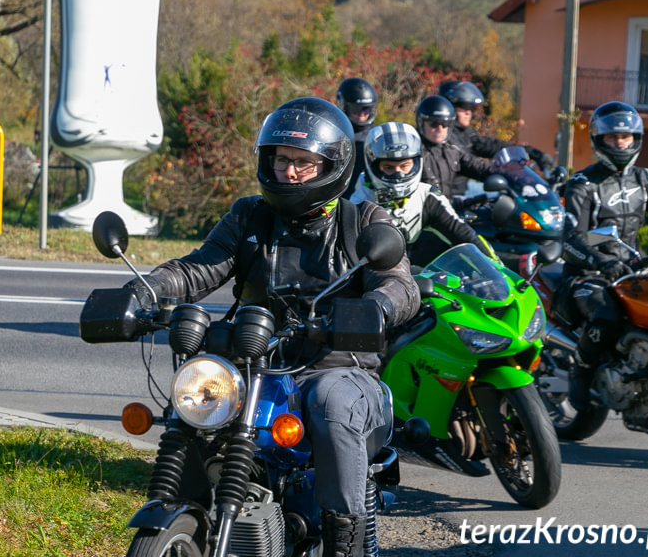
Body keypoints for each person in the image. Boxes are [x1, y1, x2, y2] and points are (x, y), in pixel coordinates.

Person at [123, 97, 420, 556]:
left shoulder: (363, 220)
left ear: (333, 165)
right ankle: (187, 510)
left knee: (331, 402)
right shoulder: (249, 216)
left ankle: (343, 542)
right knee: (202, 392)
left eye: (304, 162)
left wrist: (377, 306)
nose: (290, 172)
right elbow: (198, 268)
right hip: (254, 361)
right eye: (282, 160)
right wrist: (143, 290)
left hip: (342, 367)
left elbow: (400, 284)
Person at [562, 101, 648, 411]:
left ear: (636, 139)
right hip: (588, 274)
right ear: (599, 140)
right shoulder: (583, 183)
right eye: (613, 137)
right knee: (606, 317)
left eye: (626, 137)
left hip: (635, 270)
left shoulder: (644, 180)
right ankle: (582, 372)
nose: (620, 143)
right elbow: (572, 238)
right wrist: (600, 260)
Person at [348, 121, 493, 264]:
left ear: (417, 162)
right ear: (373, 166)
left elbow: (466, 236)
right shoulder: (358, 205)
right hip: (372, 278)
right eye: (389, 167)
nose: (399, 174)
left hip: (414, 274)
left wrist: (502, 272)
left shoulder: (427, 196)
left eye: (405, 166)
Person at [413, 95, 496, 264]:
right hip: (422, 224)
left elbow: (478, 167)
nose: (440, 128)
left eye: (444, 124)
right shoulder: (413, 152)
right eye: (434, 123)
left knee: (480, 250)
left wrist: (507, 173)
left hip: (446, 214)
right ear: (422, 123)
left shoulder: (452, 149)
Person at [438, 80, 556, 172]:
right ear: (449, 107)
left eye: (471, 107)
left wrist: (532, 153)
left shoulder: (464, 134)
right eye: (463, 106)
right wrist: (503, 172)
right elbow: (472, 164)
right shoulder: (443, 136)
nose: (469, 112)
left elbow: (491, 145)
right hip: (452, 196)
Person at [336, 77, 378, 199]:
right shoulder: (332, 136)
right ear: (343, 106)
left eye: (366, 109)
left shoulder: (378, 136)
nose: (362, 114)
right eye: (356, 109)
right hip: (340, 202)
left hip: (369, 202)